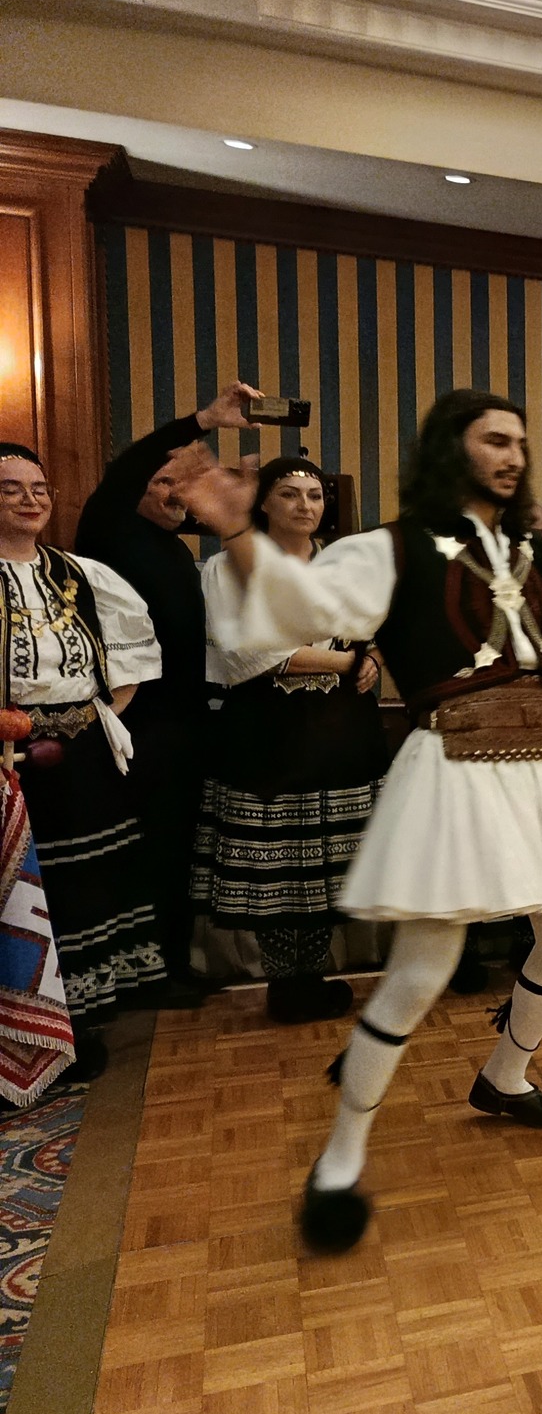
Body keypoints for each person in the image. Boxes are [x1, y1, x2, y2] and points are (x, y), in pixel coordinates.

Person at [171, 388, 542, 1252]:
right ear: (448, 449)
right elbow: (295, 607)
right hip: (455, 765)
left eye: (519, 443)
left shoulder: (534, 552)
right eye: (495, 440)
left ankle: (506, 1076)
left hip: (539, 765)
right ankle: (340, 1159)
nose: (512, 455)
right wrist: (236, 531)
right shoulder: (390, 547)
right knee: (424, 967)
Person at [76, 381, 261, 991]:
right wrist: (203, 420)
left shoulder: (176, 551)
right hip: (135, 727)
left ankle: (173, 967)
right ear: (134, 493)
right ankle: (143, 976)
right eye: (162, 484)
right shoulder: (111, 533)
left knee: (177, 847)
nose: (176, 493)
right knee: (143, 850)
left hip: (184, 722)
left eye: (182, 485)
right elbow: (126, 472)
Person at [192, 456, 390, 1023]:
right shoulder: (227, 566)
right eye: (289, 493)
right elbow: (247, 653)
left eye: (315, 495)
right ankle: (285, 983)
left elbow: (372, 630)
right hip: (270, 735)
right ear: (263, 502)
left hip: (341, 733)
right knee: (278, 870)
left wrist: (372, 657)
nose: (305, 505)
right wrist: (348, 661)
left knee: (329, 865)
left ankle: (313, 976)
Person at [0, 443, 165, 1080]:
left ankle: (81, 1020)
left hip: (84, 756)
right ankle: (29, 1029)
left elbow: (134, 652)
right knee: (25, 892)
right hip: (11, 760)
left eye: (39, 488)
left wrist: (101, 714)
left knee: (86, 887)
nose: (30, 499)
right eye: (11, 488)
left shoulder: (78, 573)